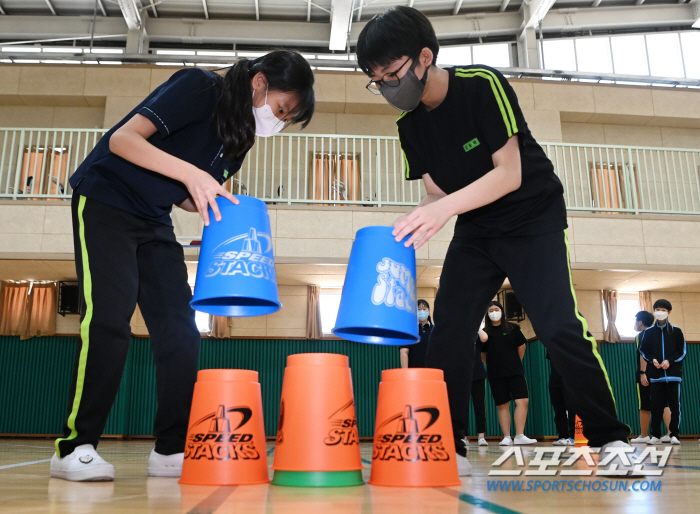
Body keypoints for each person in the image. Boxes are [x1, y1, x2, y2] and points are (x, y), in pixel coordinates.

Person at [356, 6, 632, 476]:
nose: (386, 86)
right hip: (477, 228)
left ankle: (612, 439)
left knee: (558, 325)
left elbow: (509, 173)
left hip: (531, 216)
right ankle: (447, 444)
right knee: (448, 328)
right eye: (376, 79)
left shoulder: (481, 84)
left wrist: (443, 209)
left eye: (392, 73)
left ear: (424, 57)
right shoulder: (410, 127)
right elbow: (436, 193)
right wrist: (409, 224)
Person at [50, 51, 315, 482]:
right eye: (282, 109)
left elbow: (188, 198)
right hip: (105, 200)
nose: (279, 121)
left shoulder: (239, 135)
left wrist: (221, 205)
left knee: (180, 329)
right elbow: (124, 140)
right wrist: (193, 175)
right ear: (260, 82)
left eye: (287, 119)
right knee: (108, 322)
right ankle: (74, 446)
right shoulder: (199, 86)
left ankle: (171, 449)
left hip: (154, 218)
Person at [481, 302, 536, 446]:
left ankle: (520, 435)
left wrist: (514, 363)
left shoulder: (514, 328)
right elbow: (483, 354)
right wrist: (493, 365)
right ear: (487, 314)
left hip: (515, 371)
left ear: (502, 311)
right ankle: (506, 437)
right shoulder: (485, 332)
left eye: (496, 309)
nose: (494, 312)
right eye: (490, 310)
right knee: (502, 404)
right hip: (495, 374)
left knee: (522, 401)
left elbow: (521, 347)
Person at [639, 299, 686, 445]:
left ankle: (674, 435)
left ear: (669, 312)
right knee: (656, 406)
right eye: (657, 309)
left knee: (674, 406)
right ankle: (656, 435)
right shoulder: (648, 332)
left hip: (673, 375)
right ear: (654, 311)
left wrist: (669, 361)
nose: (660, 311)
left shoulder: (677, 331)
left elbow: (682, 351)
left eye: (663, 309)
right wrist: (652, 359)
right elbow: (643, 350)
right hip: (656, 376)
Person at [630, 310, 672, 444]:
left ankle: (644, 435)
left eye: (635, 321)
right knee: (664, 403)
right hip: (662, 373)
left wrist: (643, 373)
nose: (635, 324)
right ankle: (671, 434)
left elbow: (643, 354)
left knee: (644, 404)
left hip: (647, 373)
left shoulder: (641, 335)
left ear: (640, 322)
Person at [546, 351, 576, 446]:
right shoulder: (550, 343)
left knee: (572, 408)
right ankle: (563, 436)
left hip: (569, 378)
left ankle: (574, 436)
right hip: (555, 380)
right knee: (558, 409)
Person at [466, 328, 489, 446]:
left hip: (478, 374)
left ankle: (481, 436)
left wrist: (477, 325)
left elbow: (484, 338)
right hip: (462, 375)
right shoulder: (456, 333)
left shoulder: (477, 333)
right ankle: (463, 436)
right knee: (462, 407)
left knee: (479, 406)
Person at [400, 299, 432, 368]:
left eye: (424, 309)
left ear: (429, 311)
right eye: (419, 309)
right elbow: (404, 352)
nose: (422, 311)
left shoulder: (434, 329)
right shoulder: (408, 330)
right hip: (413, 373)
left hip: (432, 372)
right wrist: (405, 373)